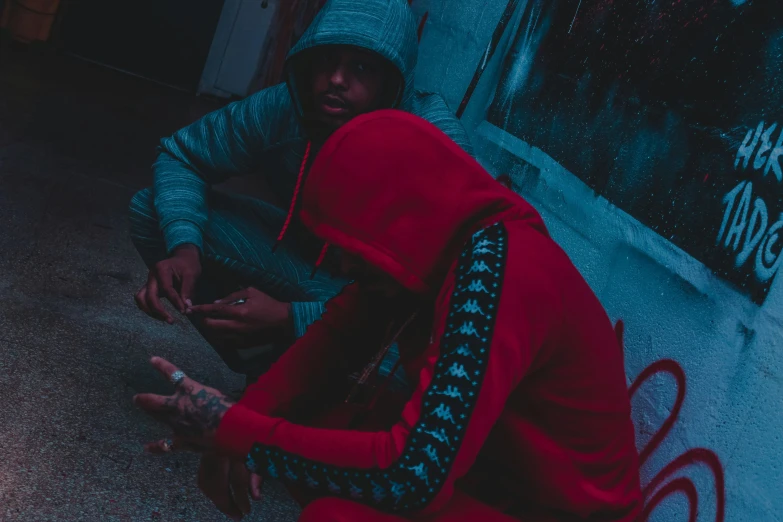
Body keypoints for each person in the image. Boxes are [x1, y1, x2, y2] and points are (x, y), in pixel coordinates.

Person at [133, 110, 642, 522]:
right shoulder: (442, 244)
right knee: (321, 420)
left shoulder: (501, 270)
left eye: (354, 249)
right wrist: (242, 420)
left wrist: (237, 434)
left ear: (404, 219)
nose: (346, 266)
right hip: (497, 491)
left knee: (335, 515)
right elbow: (333, 341)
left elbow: (411, 477)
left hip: (550, 514)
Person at [128, 0, 472, 383]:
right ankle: (264, 364)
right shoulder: (288, 106)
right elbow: (183, 155)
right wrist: (184, 250)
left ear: (391, 79)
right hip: (302, 258)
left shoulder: (433, 145)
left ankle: (312, 385)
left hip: (376, 297)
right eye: (326, 60)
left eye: (361, 67)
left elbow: (430, 295)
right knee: (155, 213)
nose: (336, 79)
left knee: (412, 357)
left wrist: (289, 317)